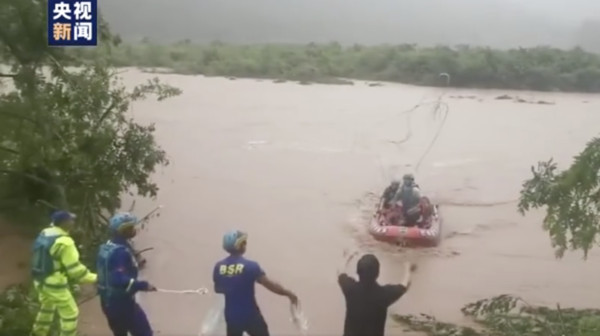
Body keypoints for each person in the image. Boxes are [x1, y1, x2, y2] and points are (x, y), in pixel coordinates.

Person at [213, 230, 299, 336]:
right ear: (241, 245)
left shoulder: (218, 267)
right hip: (250, 314)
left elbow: (218, 289)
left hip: (231, 316)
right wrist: (288, 293)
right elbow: (270, 285)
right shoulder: (250, 266)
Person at [30, 210, 98, 336]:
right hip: (54, 282)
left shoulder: (45, 233)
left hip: (39, 279)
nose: (73, 222)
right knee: (70, 313)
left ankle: (38, 333)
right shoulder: (65, 242)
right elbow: (76, 271)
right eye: (71, 220)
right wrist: (96, 278)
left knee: (47, 308)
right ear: (64, 223)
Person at [97, 212, 156, 336]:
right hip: (122, 304)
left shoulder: (107, 247)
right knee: (144, 333)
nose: (134, 229)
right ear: (124, 230)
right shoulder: (121, 252)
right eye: (131, 227)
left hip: (107, 301)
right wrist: (143, 285)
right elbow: (118, 279)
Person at [337, 252, 414, 336]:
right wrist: (408, 268)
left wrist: (348, 257)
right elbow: (405, 285)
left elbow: (340, 272)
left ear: (358, 271)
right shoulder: (384, 295)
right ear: (378, 273)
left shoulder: (350, 289)